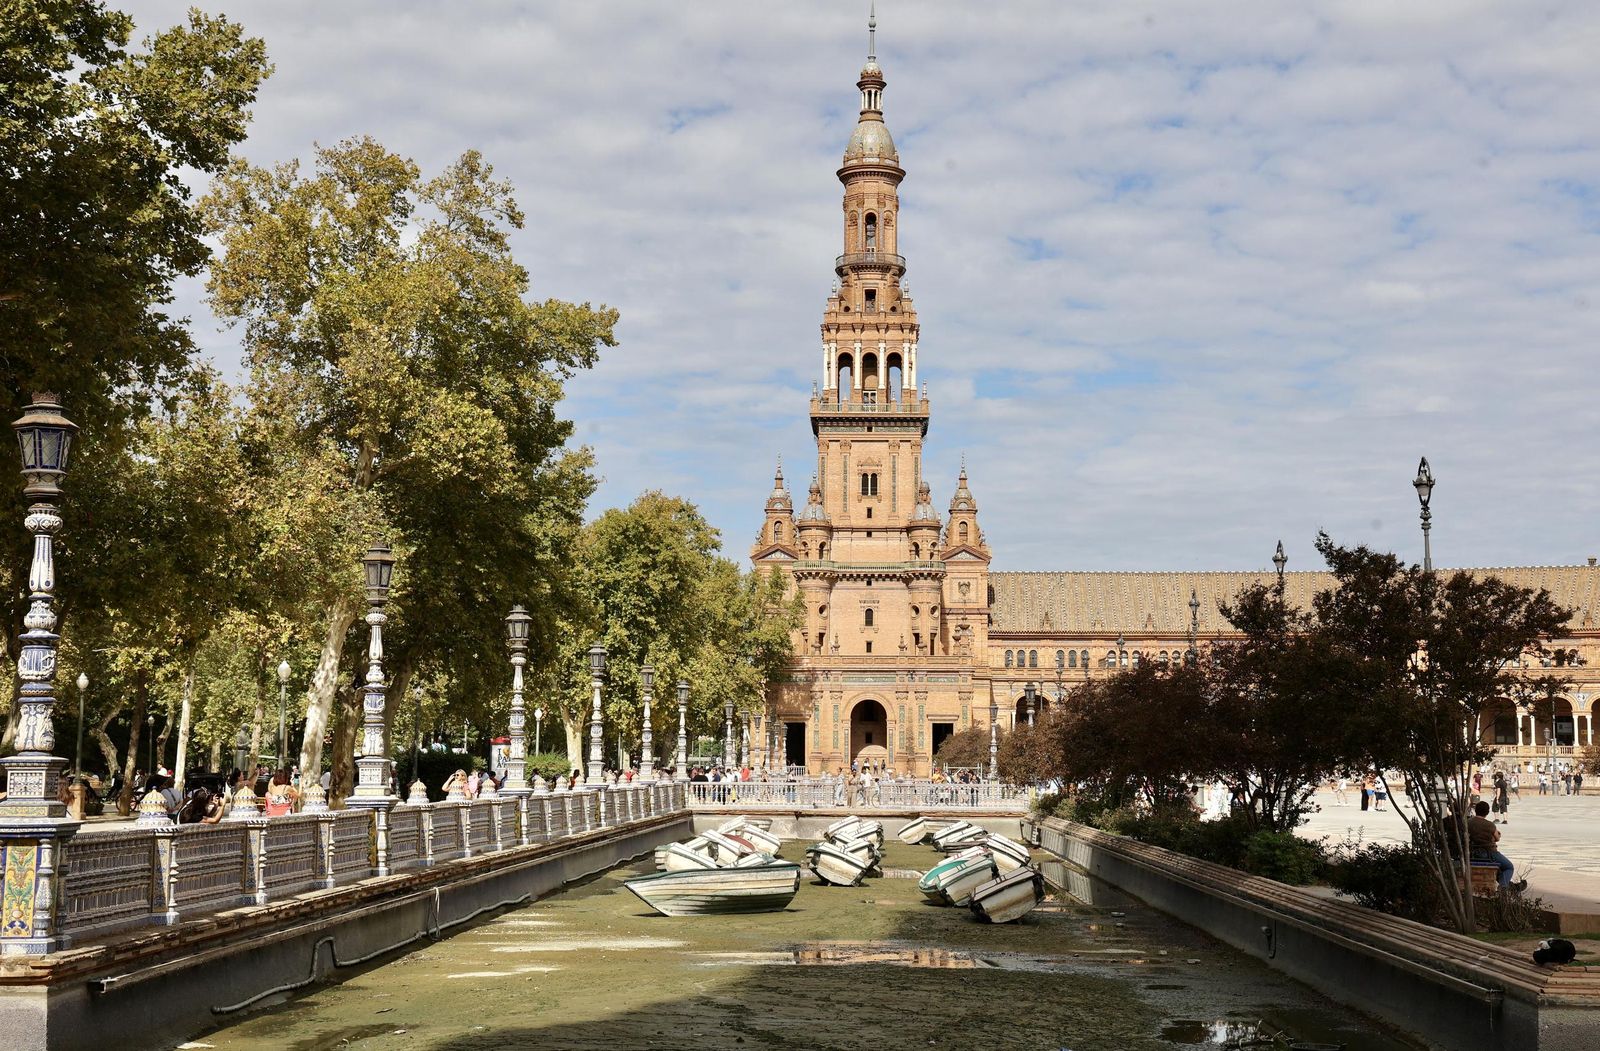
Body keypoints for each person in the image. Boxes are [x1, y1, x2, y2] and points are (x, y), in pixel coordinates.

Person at [1467, 800, 1523, 891]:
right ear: (1487, 812)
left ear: (1476, 810)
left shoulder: (1468, 822)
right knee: (1509, 867)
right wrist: (1497, 835)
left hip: (1472, 852)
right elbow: (1497, 838)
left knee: (1499, 870)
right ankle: (1503, 888)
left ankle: (1511, 886)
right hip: (1489, 853)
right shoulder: (1489, 825)